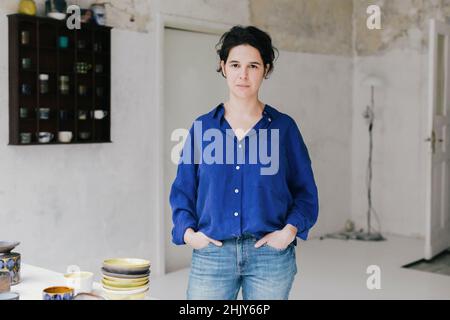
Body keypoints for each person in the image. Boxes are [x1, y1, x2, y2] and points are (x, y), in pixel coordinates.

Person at [169, 25, 319, 300]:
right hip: (212, 255)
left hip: (269, 258)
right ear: (223, 66)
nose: (243, 74)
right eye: (235, 64)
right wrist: (188, 233)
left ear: (266, 70)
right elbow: (183, 190)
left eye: (253, 66)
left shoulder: (283, 128)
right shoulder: (203, 128)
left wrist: (288, 232)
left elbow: (305, 192)